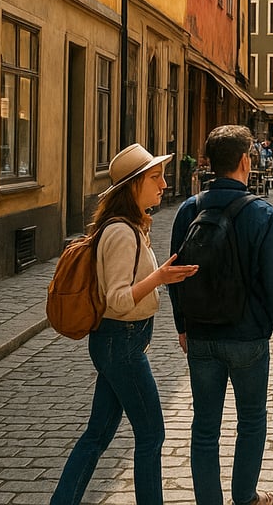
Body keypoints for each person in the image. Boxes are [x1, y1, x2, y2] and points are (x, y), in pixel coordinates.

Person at [51, 144, 200, 505]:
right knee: (151, 434)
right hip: (123, 344)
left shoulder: (131, 227)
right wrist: (160, 277)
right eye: (155, 178)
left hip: (120, 343)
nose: (164, 184)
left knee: (97, 435)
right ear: (132, 186)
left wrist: (160, 276)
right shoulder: (121, 233)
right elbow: (117, 299)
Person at [169, 126, 273, 505]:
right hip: (248, 335)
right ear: (244, 161)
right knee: (251, 420)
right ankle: (245, 496)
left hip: (202, 333)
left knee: (205, 426)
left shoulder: (189, 209)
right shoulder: (261, 213)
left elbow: (174, 273)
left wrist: (182, 324)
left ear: (209, 162)